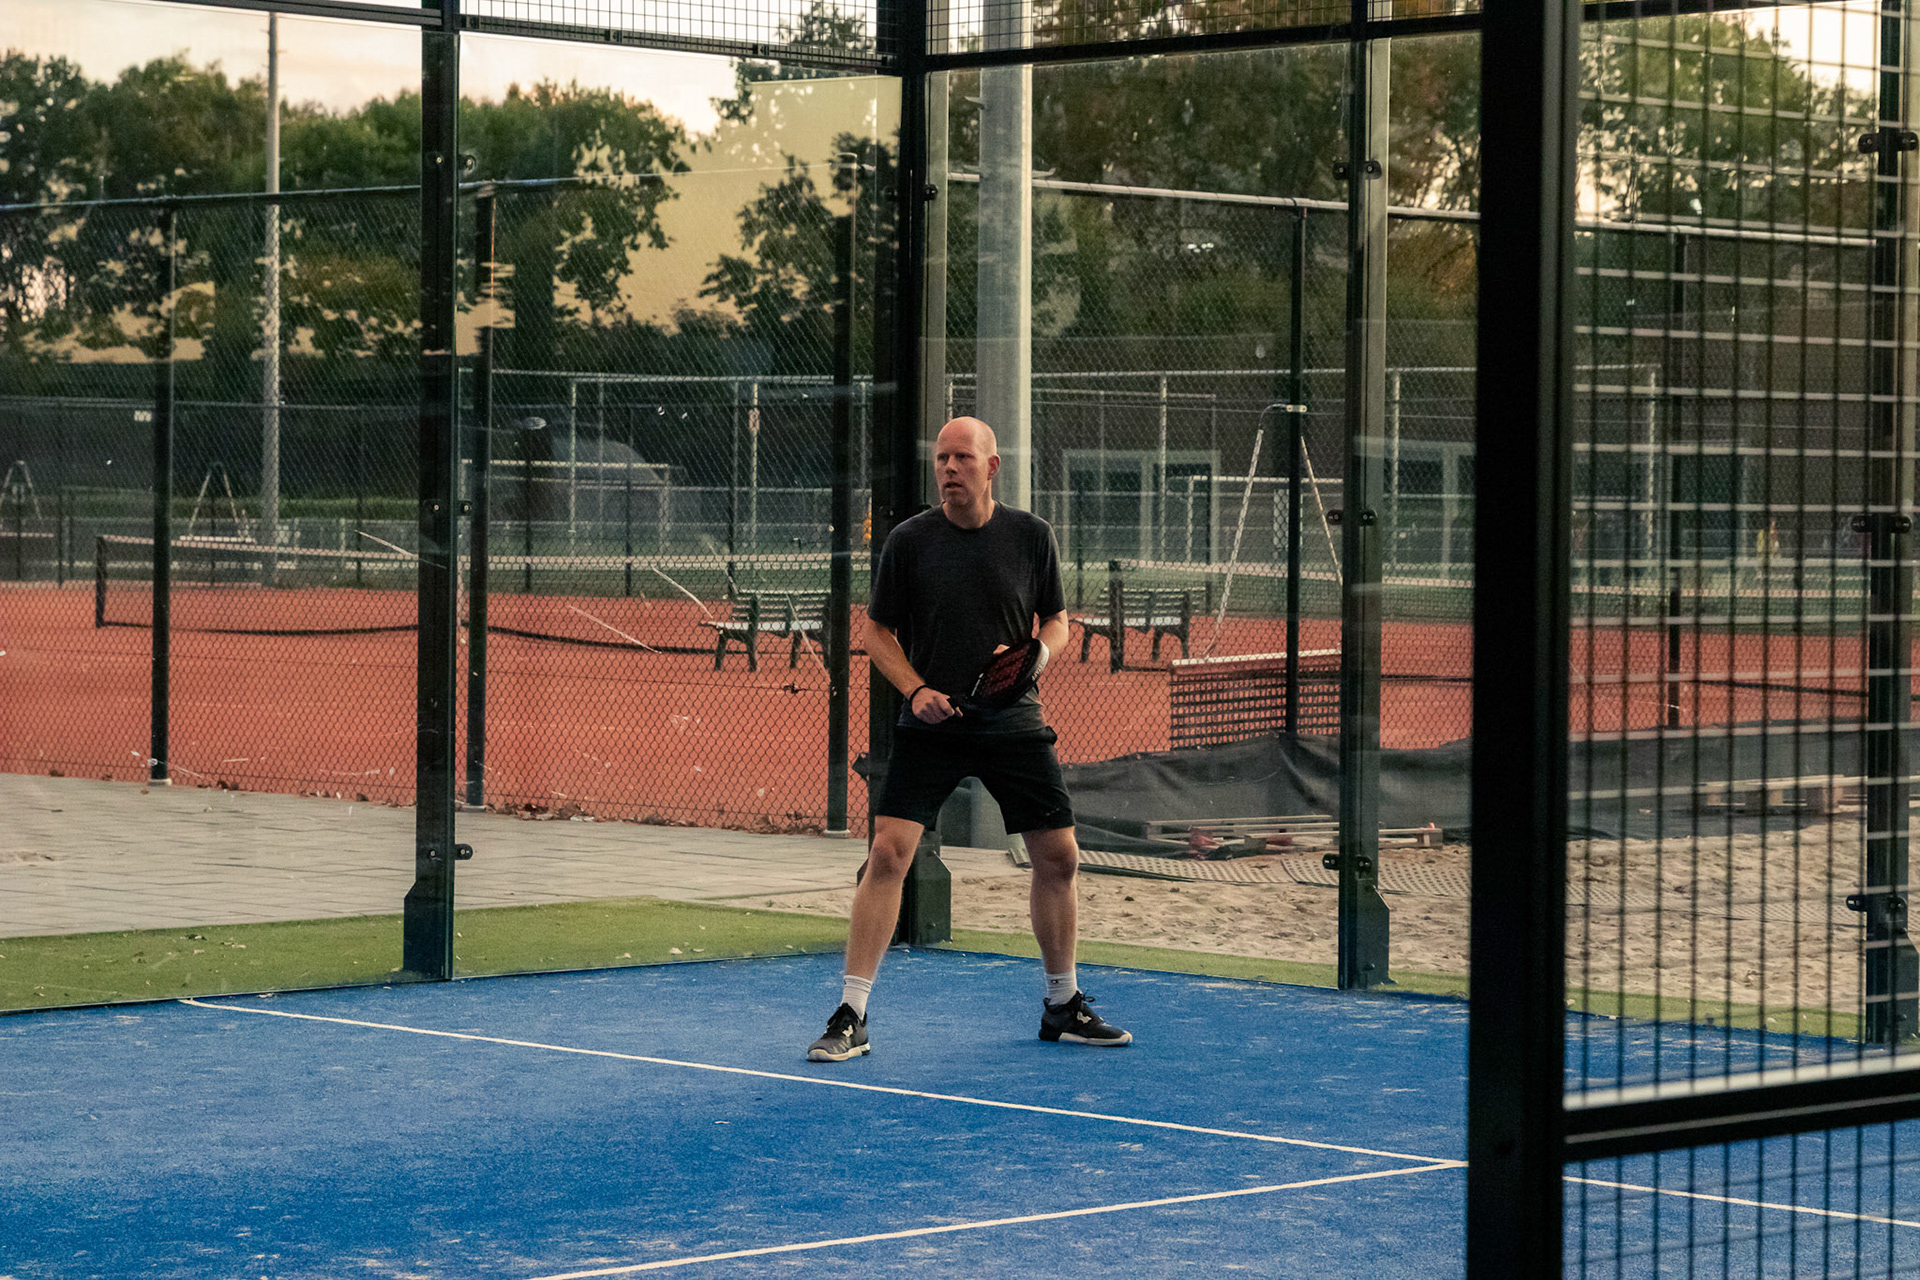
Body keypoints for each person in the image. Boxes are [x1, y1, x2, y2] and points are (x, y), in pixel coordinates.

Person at [807, 416, 1132, 1061]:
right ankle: (851, 1014)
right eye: (942, 459)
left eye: (962, 458)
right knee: (888, 854)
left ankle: (1062, 1004)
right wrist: (916, 691)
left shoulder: (1032, 536)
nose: (950, 469)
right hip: (931, 724)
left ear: (992, 467)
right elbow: (875, 633)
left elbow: (1057, 620)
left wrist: (1036, 656)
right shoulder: (909, 541)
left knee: (1059, 857)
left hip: (1012, 721)